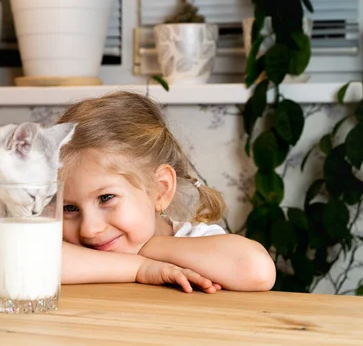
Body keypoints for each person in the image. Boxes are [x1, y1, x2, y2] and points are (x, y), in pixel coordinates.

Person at [56, 91, 276, 293]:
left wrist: (149, 247)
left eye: (106, 198)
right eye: (70, 208)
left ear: (160, 189)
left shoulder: (194, 241)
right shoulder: (72, 246)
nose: (89, 229)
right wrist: (140, 267)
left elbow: (257, 271)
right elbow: (29, 260)